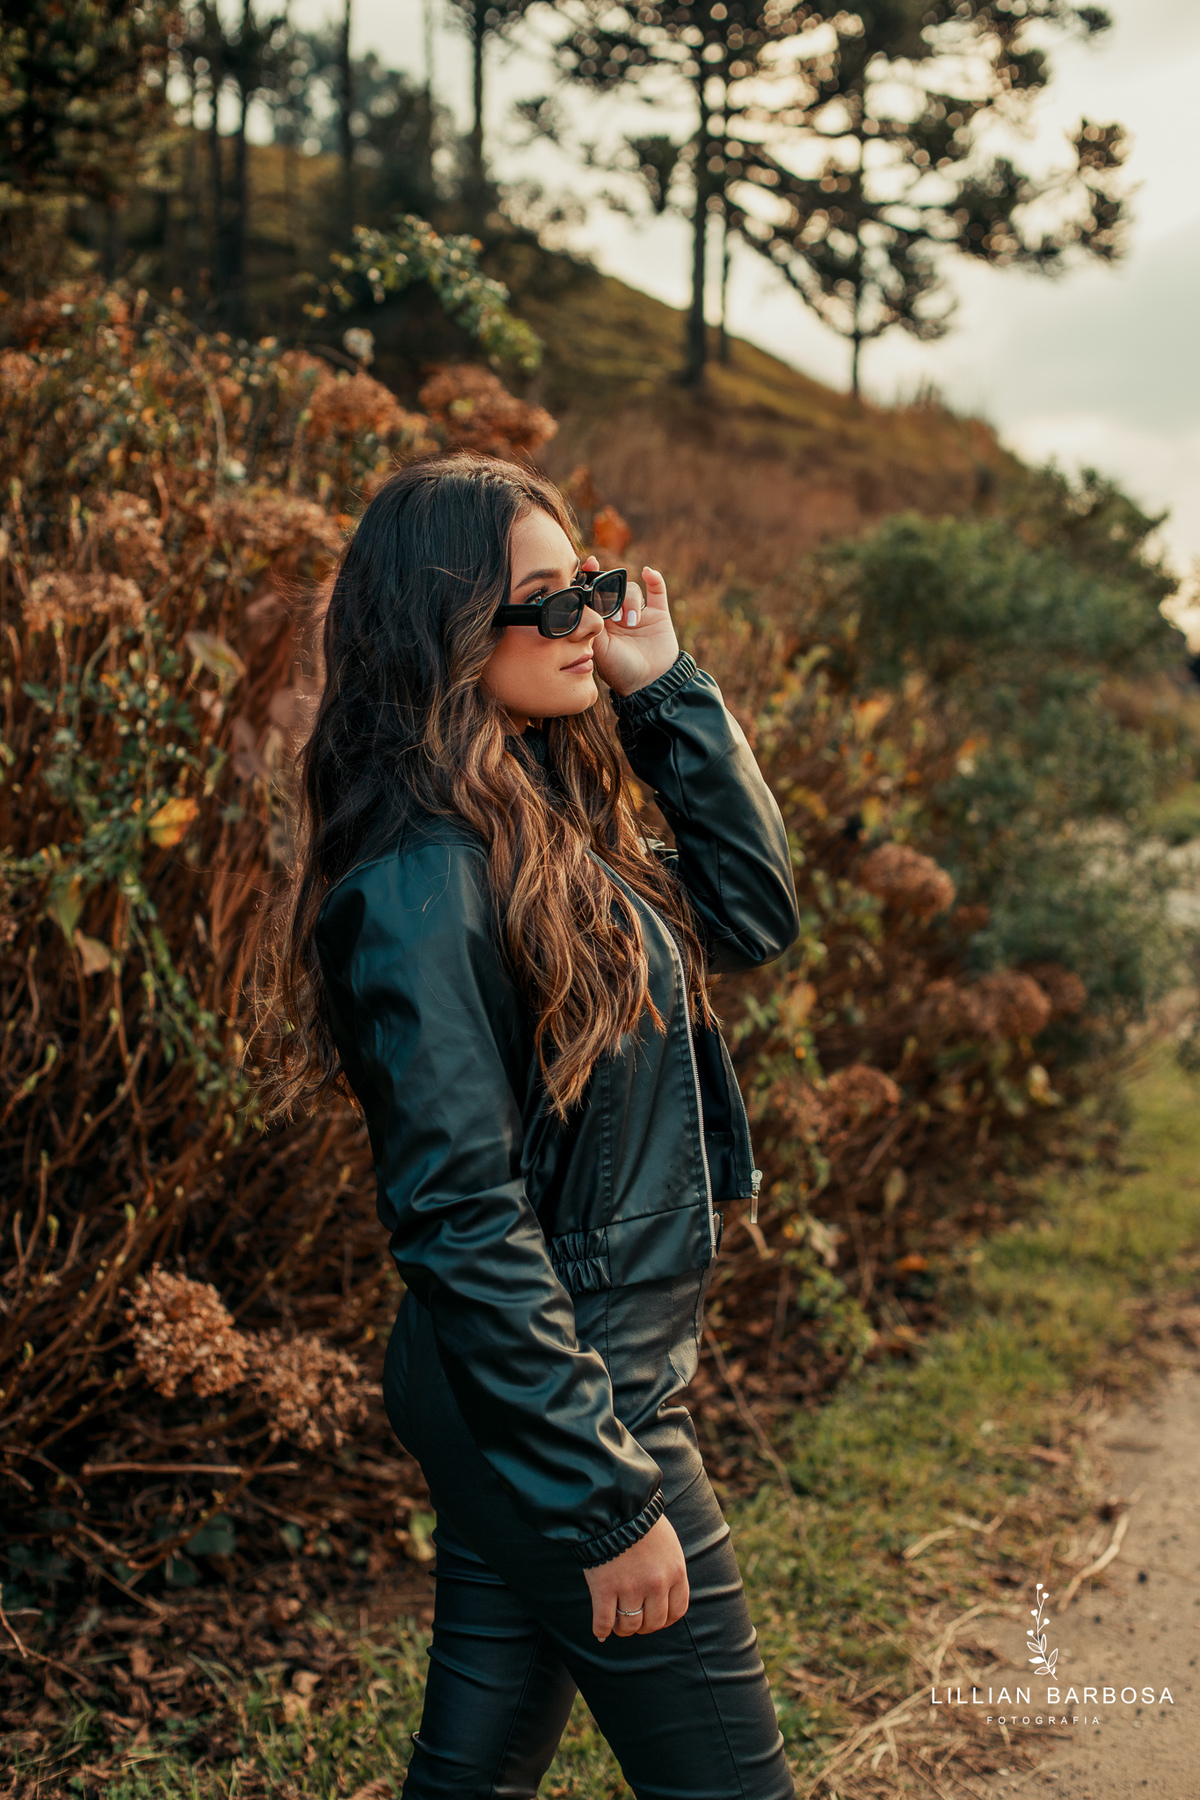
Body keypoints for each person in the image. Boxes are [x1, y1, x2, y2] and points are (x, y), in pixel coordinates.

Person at [273, 451, 802, 1800]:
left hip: (554, 1377)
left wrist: (666, 685)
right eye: (552, 604)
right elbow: (458, 1213)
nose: (590, 624)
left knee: (476, 1770)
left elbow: (750, 915)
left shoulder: (541, 809)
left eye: (596, 589)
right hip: (560, 1393)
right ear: (445, 626)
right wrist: (604, 1497)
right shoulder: (414, 879)